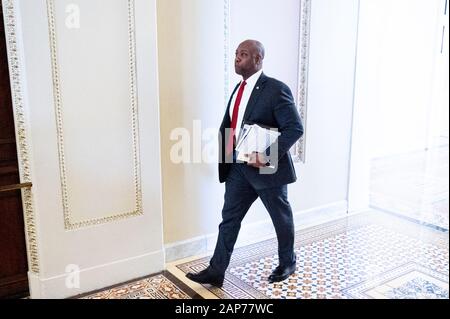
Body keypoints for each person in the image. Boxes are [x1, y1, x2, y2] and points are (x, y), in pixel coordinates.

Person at [186, 40, 303, 287]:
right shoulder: (238, 89)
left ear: (258, 59)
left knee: (280, 217)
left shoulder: (275, 89)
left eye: (244, 54)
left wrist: (268, 154)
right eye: (236, 54)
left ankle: (287, 262)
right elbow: (232, 126)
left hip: (266, 169)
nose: (237, 58)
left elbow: (294, 128)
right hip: (238, 169)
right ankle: (216, 270)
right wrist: (225, 156)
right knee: (229, 219)